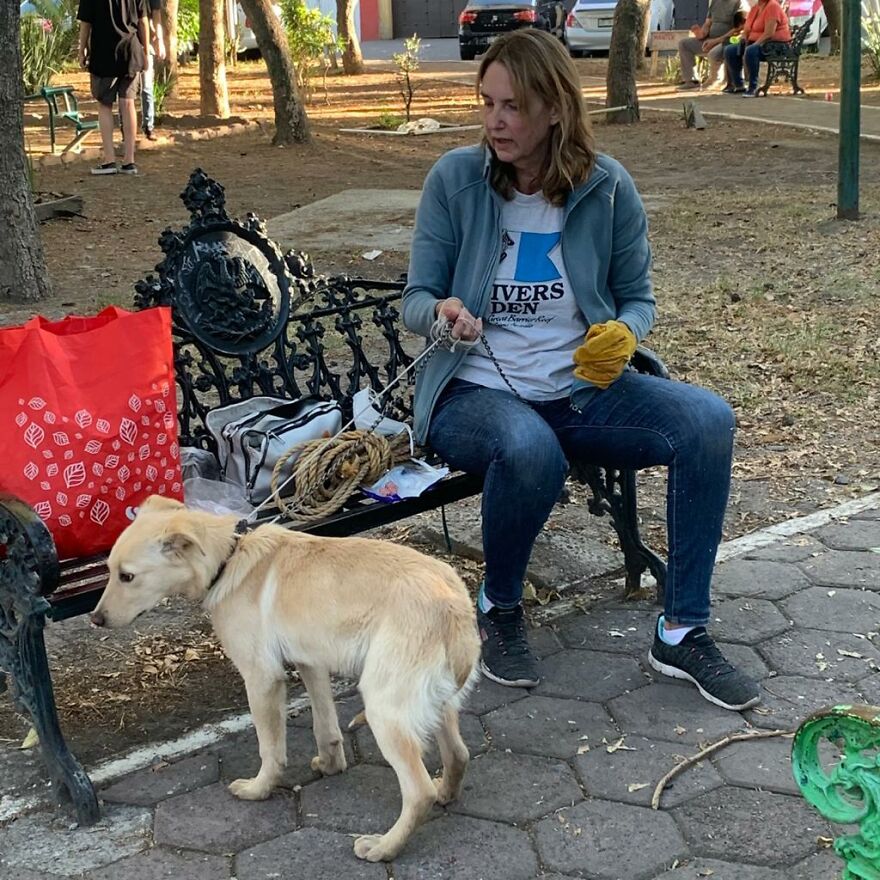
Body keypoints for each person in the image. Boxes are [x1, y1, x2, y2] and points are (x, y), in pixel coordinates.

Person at [401, 28, 760, 712]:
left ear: (556, 110)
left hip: (580, 391)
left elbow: (639, 299)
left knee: (707, 421)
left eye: (513, 106)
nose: (496, 122)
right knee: (528, 447)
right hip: (473, 393)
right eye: (488, 104)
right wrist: (444, 310)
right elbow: (415, 300)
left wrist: (624, 332)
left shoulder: (606, 187)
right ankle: (498, 606)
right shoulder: (456, 179)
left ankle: (682, 630)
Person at [77, 0, 149, 175]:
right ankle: (129, 160)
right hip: (130, 50)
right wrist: (146, 51)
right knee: (128, 103)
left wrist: (82, 50)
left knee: (104, 104)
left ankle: (109, 159)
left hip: (103, 52)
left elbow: (86, 22)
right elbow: (143, 20)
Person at [677, 0, 751, 91]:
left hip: (729, 40)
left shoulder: (739, 3)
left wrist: (716, 41)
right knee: (684, 44)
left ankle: (715, 80)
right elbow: (708, 23)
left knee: (714, 53)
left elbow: (739, 28)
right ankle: (691, 81)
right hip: (710, 39)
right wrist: (701, 33)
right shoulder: (715, 2)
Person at [723, 0, 792, 96]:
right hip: (757, 43)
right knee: (730, 50)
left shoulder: (773, 6)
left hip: (775, 45)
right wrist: (743, 38)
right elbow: (747, 29)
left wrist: (755, 44)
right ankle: (738, 85)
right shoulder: (755, 8)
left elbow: (769, 33)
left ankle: (753, 87)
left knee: (751, 50)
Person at [141, 0, 166, 139]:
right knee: (126, 92)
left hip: (147, 43)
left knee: (147, 86)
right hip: (128, 41)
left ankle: (148, 126)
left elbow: (156, 15)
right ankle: (125, 129)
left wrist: (159, 40)